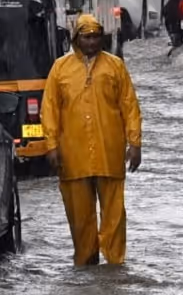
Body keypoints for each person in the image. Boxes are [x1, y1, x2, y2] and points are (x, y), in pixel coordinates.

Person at [42, 14, 142, 267]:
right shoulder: (60, 69)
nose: (92, 42)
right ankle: (85, 262)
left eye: (96, 36)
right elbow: (50, 109)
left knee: (114, 214)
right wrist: (51, 146)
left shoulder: (115, 66)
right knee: (80, 217)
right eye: (86, 37)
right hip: (73, 156)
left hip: (109, 151)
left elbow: (130, 106)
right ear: (77, 39)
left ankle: (114, 264)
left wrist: (135, 143)